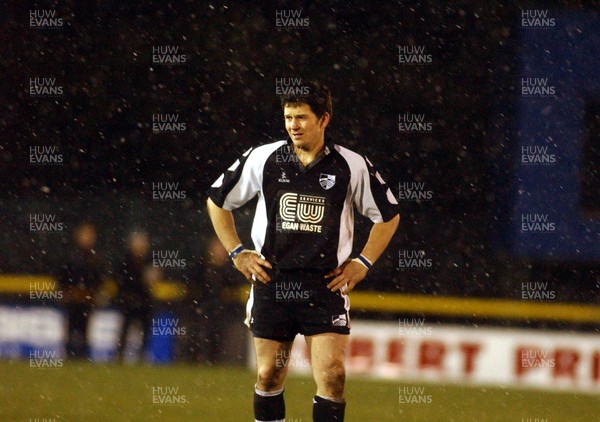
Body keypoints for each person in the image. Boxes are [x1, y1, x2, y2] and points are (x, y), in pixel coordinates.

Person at [207, 81, 399, 422]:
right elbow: (217, 201)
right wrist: (238, 252)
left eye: (301, 117)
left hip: (324, 286)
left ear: (324, 120)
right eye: (288, 117)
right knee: (268, 375)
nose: (293, 125)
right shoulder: (263, 157)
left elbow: (388, 215)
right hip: (272, 280)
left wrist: (363, 262)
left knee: (333, 376)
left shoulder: (351, 165)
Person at [60, 222, 104, 359]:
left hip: (87, 300)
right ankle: (68, 356)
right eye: (84, 235)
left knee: (85, 331)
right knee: (70, 330)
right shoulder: (71, 256)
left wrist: (94, 294)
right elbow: (62, 276)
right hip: (73, 299)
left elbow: (99, 279)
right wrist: (66, 292)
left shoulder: (95, 258)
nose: (87, 238)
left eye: (89, 235)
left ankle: (83, 357)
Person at [115, 230, 154, 362]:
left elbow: (153, 282)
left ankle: (142, 355)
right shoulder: (125, 261)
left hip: (145, 301)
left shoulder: (149, 261)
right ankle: (120, 354)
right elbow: (120, 281)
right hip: (128, 301)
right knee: (125, 329)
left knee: (145, 330)